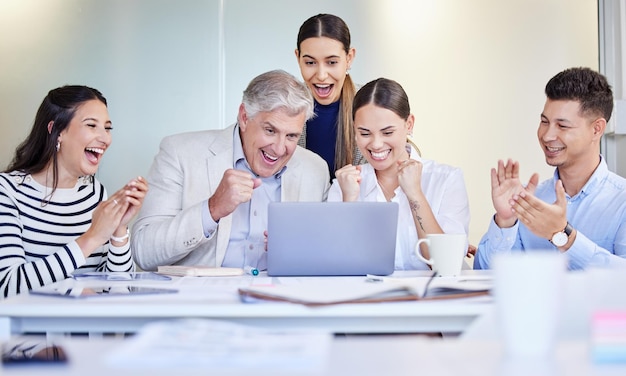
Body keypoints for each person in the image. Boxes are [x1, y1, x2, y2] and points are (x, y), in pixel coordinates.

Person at [131, 70, 330, 271]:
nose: (279, 149)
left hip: (282, 299)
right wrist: (212, 209)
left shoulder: (315, 170)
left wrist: (300, 252)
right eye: (270, 131)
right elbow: (143, 252)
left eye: (291, 136)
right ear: (244, 117)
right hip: (201, 299)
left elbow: (326, 260)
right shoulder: (180, 153)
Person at [0, 85, 148, 298]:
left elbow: (117, 290)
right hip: (26, 331)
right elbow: (8, 287)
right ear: (56, 130)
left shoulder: (94, 193)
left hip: (86, 328)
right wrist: (92, 238)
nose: (105, 139)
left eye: (107, 128)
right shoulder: (7, 191)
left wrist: (119, 228)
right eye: (91, 125)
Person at [474, 67, 626, 270]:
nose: (547, 135)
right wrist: (506, 221)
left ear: (596, 129)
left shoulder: (621, 201)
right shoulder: (531, 198)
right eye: (544, 122)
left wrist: (563, 235)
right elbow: (484, 273)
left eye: (562, 126)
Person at [327, 78, 470, 270]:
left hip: (431, 299)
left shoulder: (445, 179)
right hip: (369, 299)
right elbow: (336, 266)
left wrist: (415, 194)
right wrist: (349, 203)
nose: (376, 144)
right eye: (365, 133)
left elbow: (444, 265)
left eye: (387, 132)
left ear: (409, 124)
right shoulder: (344, 186)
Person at [295, 13, 365, 179]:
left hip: (355, 203)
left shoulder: (368, 103)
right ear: (298, 58)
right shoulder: (285, 106)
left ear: (349, 58)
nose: (321, 75)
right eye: (310, 62)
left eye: (332, 62)